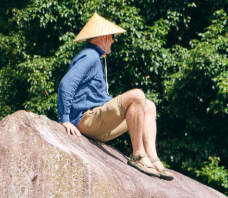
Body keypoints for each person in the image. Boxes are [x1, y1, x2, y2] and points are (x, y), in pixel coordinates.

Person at [57, 13, 172, 180]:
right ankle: (138, 155)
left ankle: (153, 159)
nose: (113, 41)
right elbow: (66, 84)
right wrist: (65, 119)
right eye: (111, 37)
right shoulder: (90, 56)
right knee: (137, 95)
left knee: (149, 106)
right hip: (86, 120)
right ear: (103, 38)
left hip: (97, 121)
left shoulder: (96, 57)